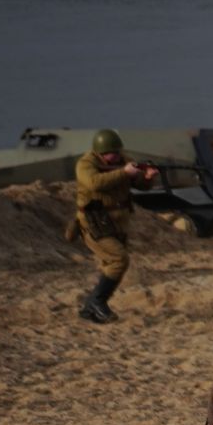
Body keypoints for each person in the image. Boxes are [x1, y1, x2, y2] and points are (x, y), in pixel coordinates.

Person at [69, 128, 158, 324]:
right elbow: (94, 183)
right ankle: (97, 302)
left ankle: (89, 309)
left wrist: (148, 177)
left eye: (118, 152)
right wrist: (124, 172)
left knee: (112, 264)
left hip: (117, 224)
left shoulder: (123, 161)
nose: (116, 156)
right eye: (112, 153)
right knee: (119, 260)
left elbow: (140, 185)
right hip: (93, 223)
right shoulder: (86, 164)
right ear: (100, 152)